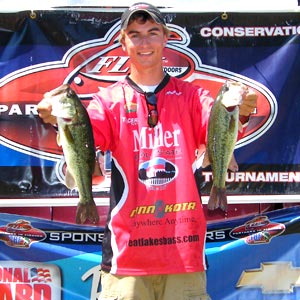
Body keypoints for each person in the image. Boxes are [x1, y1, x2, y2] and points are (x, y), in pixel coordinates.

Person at [37, 2, 257, 299]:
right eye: (135, 34)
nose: (144, 42)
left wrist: (242, 109)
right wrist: (56, 118)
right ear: (122, 42)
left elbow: (219, 130)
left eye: (153, 32)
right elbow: (85, 143)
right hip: (126, 258)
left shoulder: (193, 97)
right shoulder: (107, 101)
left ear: (166, 37)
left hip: (184, 254)